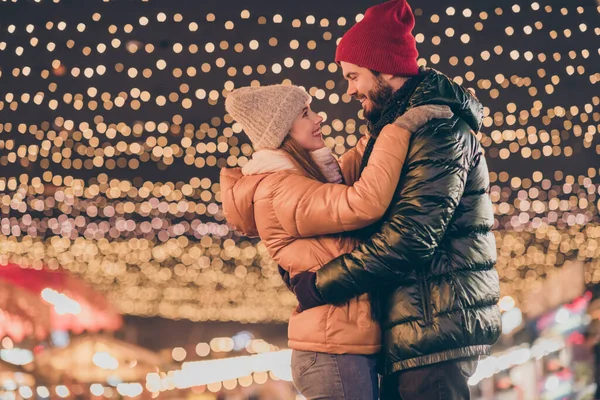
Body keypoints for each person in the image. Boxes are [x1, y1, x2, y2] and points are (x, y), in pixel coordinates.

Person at [287, 1, 502, 399]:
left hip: (435, 327)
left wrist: (321, 284)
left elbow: (411, 236)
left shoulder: (438, 130)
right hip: (413, 325)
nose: (349, 89)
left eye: (354, 76)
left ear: (385, 69)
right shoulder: (397, 131)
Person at [220, 83, 453, 399]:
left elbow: (349, 173)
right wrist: (400, 129)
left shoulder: (298, 183)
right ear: (282, 131)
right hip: (332, 354)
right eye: (305, 114)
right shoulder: (279, 190)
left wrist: (377, 132)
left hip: (342, 348)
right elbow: (363, 202)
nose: (318, 119)